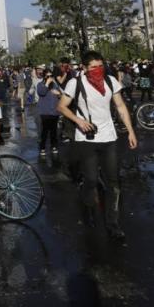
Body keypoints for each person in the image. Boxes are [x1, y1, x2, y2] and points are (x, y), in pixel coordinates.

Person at [56, 51, 137, 240]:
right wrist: (78, 120)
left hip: (109, 136)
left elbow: (120, 106)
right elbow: (61, 106)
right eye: (93, 67)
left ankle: (113, 223)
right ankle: (89, 210)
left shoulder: (110, 81)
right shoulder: (75, 83)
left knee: (113, 181)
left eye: (100, 66)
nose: (97, 70)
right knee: (91, 180)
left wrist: (131, 131)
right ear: (84, 67)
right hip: (87, 139)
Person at [36, 69, 61, 157]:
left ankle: (54, 146)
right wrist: (47, 83)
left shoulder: (55, 84)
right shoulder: (40, 84)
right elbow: (41, 93)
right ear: (44, 76)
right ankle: (42, 147)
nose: (50, 78)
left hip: (55, 111)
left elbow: (61, 94)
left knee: (54, 130)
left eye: (51, 76)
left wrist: (59, 94)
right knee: (45, 130)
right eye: (48, 76)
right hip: (45, 111)